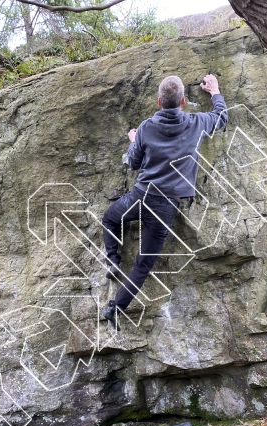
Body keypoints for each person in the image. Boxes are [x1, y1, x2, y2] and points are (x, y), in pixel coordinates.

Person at [102, 74, 228, 329]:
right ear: (183, 100)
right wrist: (215, 92)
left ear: (159, 101)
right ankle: (114, 309)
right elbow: (222, 118)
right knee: (143, 264)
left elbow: (134, 163)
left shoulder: (147, 127)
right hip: (166, 205)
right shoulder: (197, 122)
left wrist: (134, 141)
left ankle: (113, 259)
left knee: (110, 218)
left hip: (141, 195)